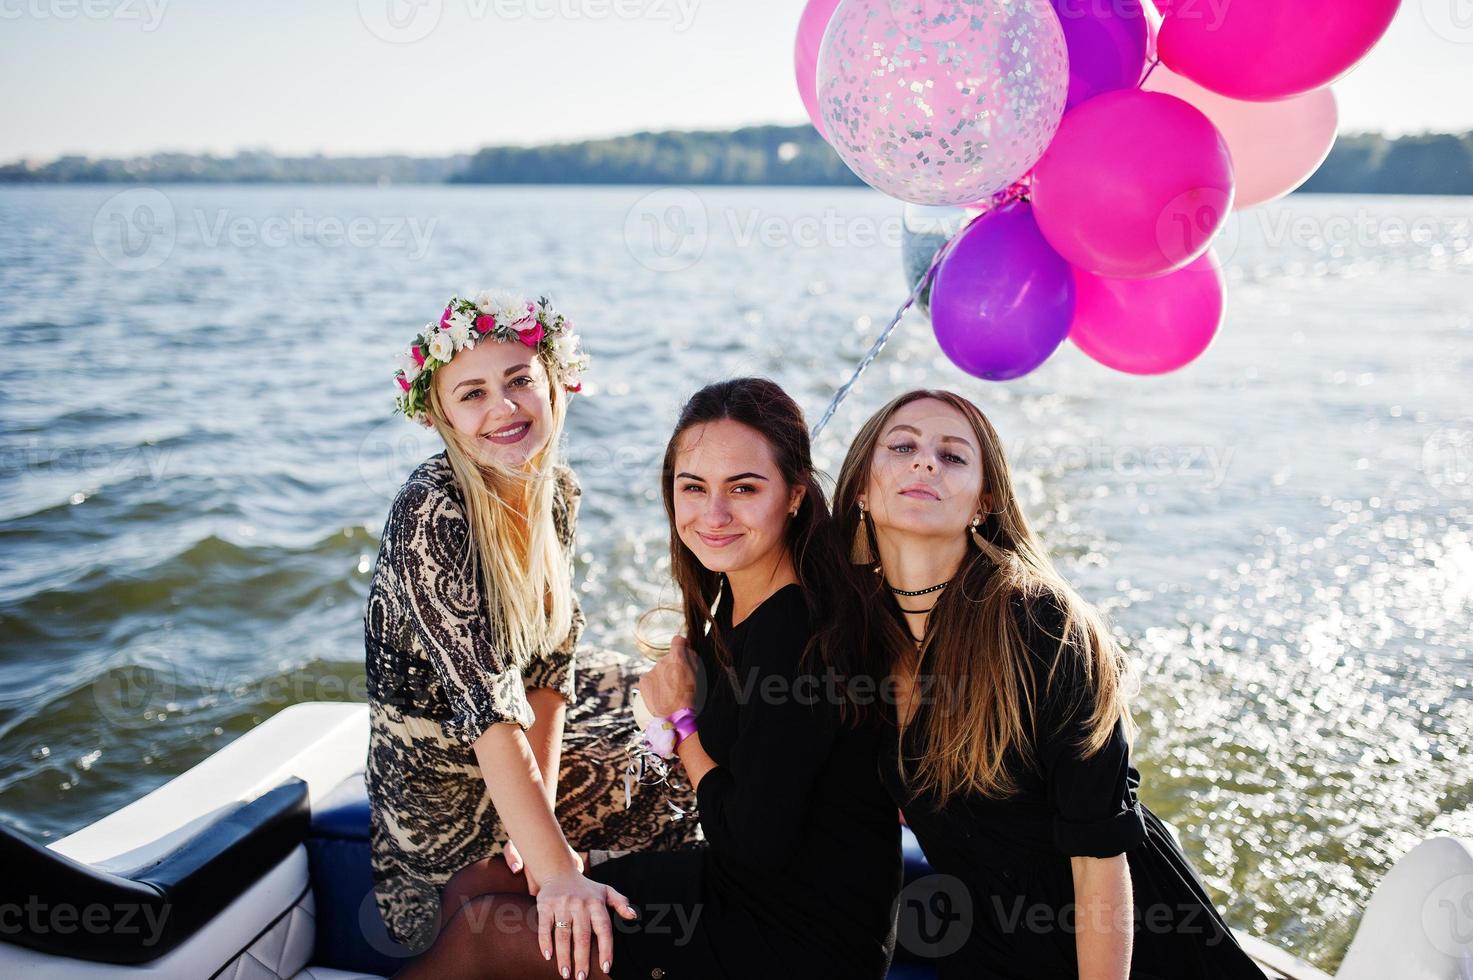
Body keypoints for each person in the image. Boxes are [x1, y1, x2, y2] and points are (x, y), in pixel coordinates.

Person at [415, 378, 903, 979]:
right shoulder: (740, 596)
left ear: (795, 495)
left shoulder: (797, 632)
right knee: (482, 884)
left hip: (794, 942)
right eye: (692, 488)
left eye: (744, 489)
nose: (713, 515)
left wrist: (681, 718)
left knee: (480, 936)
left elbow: (749, 842)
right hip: (747, 890)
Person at [834, 388, 1269, 980]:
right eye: (903, 446)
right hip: (990, 943)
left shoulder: (1040, 624)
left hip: (1131, 951)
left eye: (954, 455)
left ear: (984, 503)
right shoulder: (855, 633)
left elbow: (1099, 856)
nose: (925, 462)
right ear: (862, 485)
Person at [364, 290, 695, 979]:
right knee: (659, 771)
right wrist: (554, 870)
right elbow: (489, 708)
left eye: (519, 380)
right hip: (441, 792)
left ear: (554, 383)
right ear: (440, 417)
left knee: (680, 694)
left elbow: (548, 670)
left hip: (507, 738)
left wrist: (537, 810)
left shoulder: (555, 490)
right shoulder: (433, 508)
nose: (503, 407)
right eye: (473, 393)